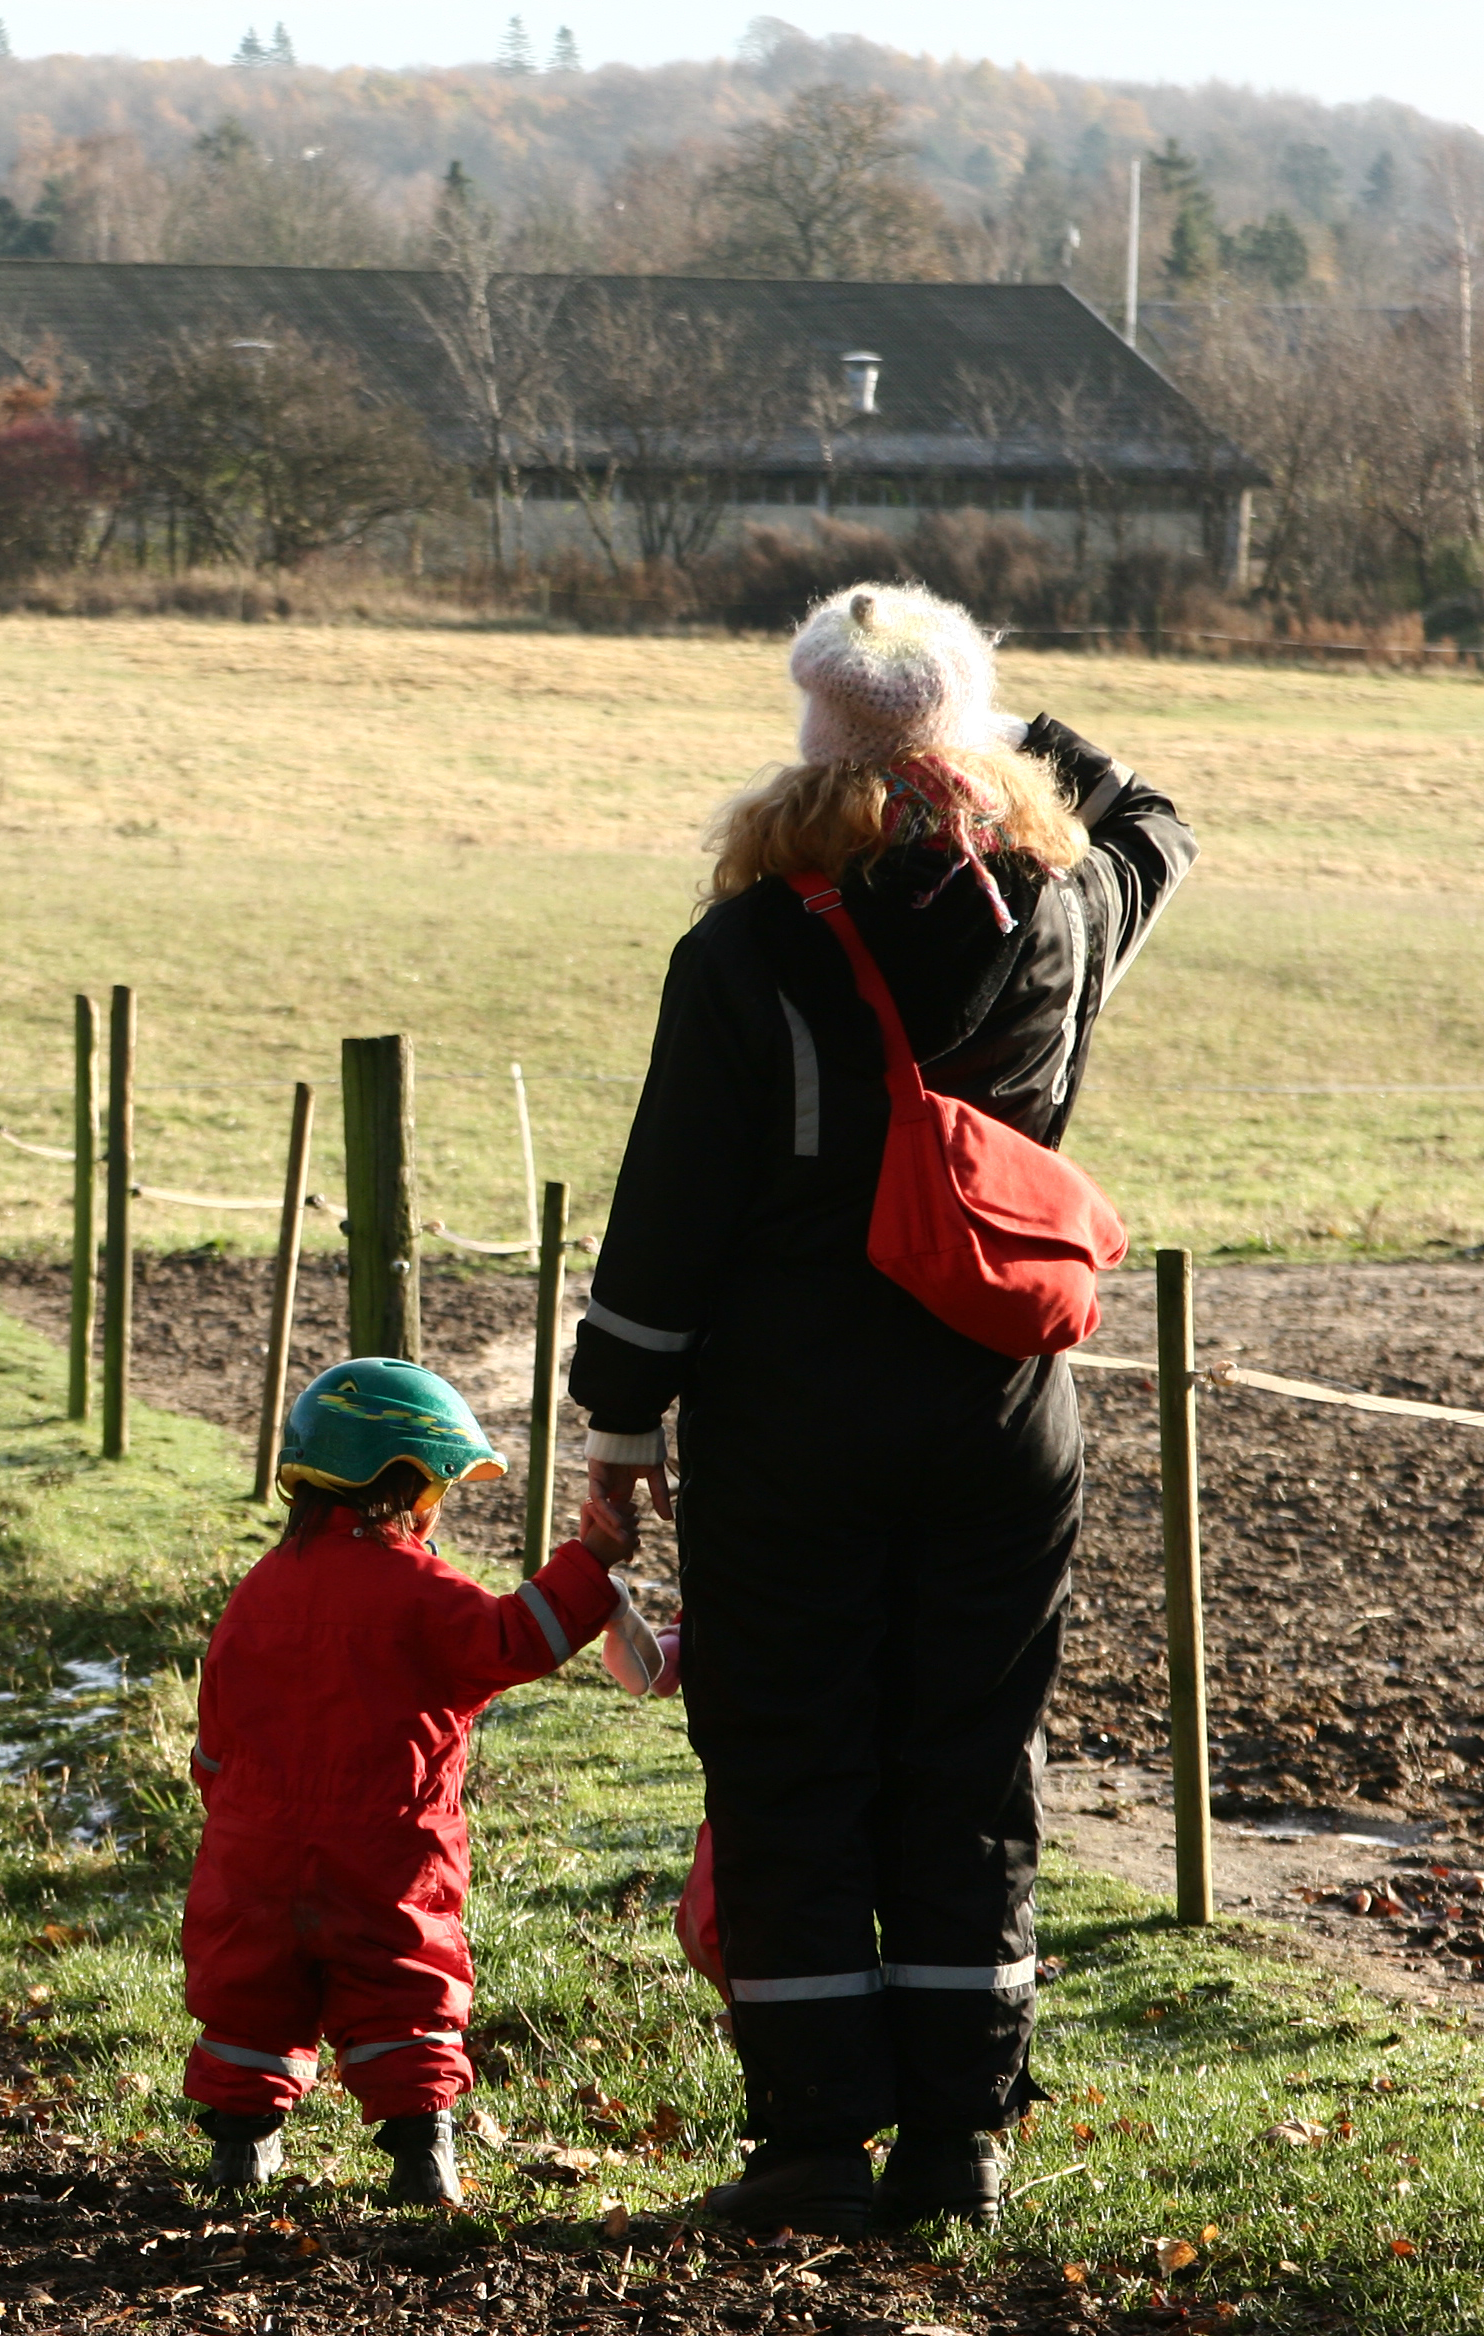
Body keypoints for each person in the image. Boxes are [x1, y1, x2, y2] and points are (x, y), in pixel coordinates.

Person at [571, 582, 1196, 2235]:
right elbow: (1153, 818)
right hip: (999, 1416)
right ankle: (957, 2147)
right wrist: (995, 733)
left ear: (806, 735)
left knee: (787, 1766)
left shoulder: (744, 942)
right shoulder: (1058, 909)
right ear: (963, 730)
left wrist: (617, 1436)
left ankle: (806, 2147)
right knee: (965, 1762)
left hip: (786, 1425)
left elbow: (667, 1211)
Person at [180, 1356, 647, 2201]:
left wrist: (228, 1799)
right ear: (410, 1485)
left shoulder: (259, 1591)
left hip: (252, 1848)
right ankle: (422, 2156)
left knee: (252, 1987)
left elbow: (217, 1725)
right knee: (402, 1985)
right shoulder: (420, 1589)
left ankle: (240, 2152)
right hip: (388, 1848)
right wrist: (591, 1562)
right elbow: (513, 1640)